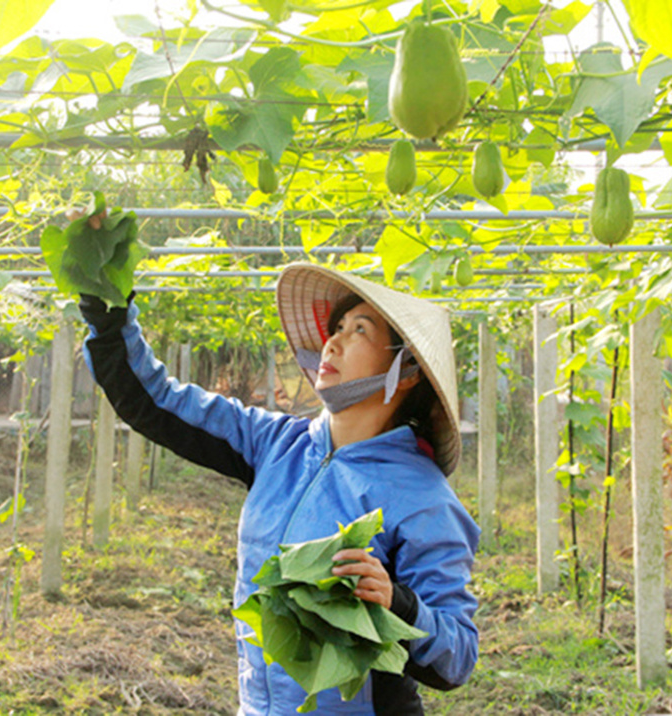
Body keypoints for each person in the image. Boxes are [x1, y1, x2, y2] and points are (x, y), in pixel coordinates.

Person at [78, 262, 480, 715]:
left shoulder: (423, 498)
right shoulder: (276, 444)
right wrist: (107, 305)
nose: (333, 340)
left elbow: (457, 659)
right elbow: (155, 400)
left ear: (405, 372)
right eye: (338, 326)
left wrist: (398, 604)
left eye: (360, 331)